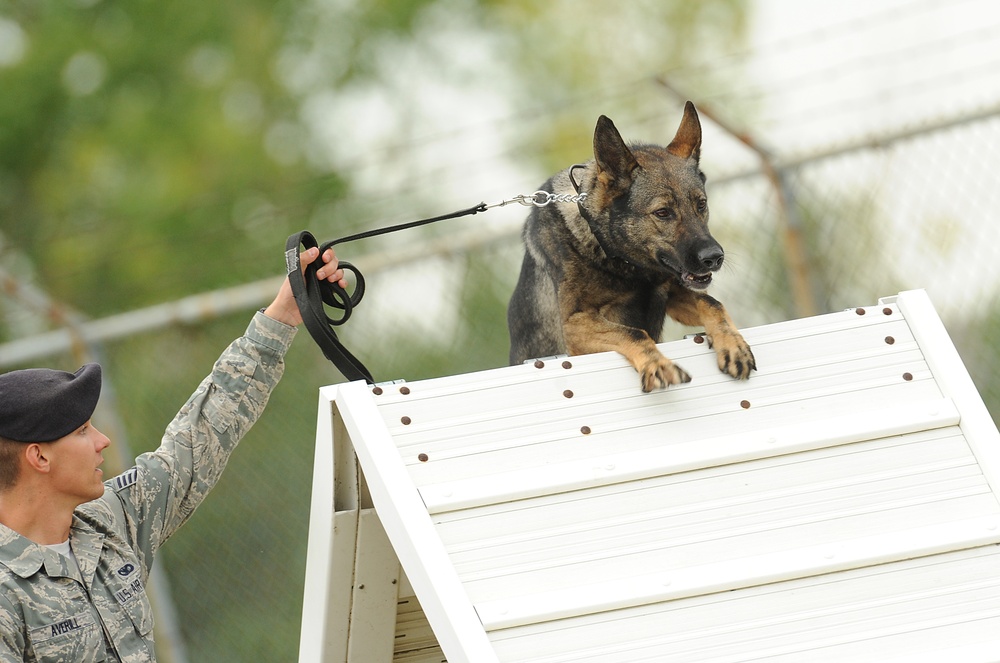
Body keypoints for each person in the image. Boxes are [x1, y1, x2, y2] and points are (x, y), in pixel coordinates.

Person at [0, 246, 346, 662]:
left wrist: (287, 310)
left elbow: (199, 435)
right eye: (82, 431)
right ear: (39, 458)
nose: (101, 441)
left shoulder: (109, 521)